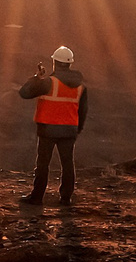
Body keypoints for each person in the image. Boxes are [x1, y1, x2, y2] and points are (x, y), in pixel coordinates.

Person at [15, 46, 87, 207]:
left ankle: (37, 197)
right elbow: (83, 111)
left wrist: (36, 78)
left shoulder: (48, 83)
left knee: (43, 164)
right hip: (69, 130)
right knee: (68, 164)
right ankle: (66, 198)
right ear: (69, 64)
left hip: (48, 129)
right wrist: (77, 130)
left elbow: (24, 93)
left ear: (55, 62)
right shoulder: (81, 87)